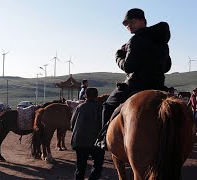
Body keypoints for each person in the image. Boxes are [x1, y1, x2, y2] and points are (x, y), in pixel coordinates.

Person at [95, 8, 172, 150]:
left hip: (136, 85)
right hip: (158, 86)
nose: (128, 25)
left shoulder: (136, 39)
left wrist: (119, 55)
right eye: (126, 24)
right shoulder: (162, 41)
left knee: (107, 105)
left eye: (132, 21)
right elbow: (167, 66)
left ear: (143, 21)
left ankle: (103, 139)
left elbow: (128, 67)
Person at [71, 87, 105, 180]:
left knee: (80, 167)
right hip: (96, 142)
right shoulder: (101, 107)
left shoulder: (79, 107)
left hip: (80, 141)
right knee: (97, 166)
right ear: (97, 96)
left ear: (85, 95)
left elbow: (72, 123)